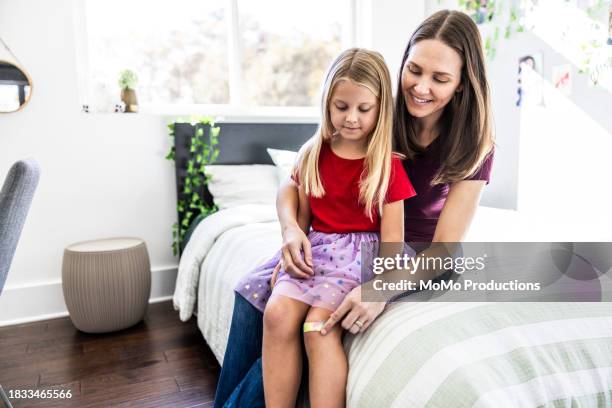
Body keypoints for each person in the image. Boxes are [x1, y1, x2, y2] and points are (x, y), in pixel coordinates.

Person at [213, 9, 495, 408]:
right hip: (332, 242)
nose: (420, 87)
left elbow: (445, 250)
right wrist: (292, 231)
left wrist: (381, 287)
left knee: (309, 329)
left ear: (463, 83)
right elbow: (297, 183)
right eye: (413, 70)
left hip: (403, 259)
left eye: (440, 78)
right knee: (254, 299)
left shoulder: (474, 146)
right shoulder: (373, 111)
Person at [235, 48, 415, 408]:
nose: (351, 118)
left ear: (381, 108)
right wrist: (284, 263)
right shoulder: (312, 153)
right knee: (276, 312)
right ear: (327, 104)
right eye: (341, 106)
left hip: (360, 258)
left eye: (364, 109)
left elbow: (393, 241)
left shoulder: (388, 166)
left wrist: (379, 285)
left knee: (318, 328)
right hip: (315, 252)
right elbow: (299, 224)